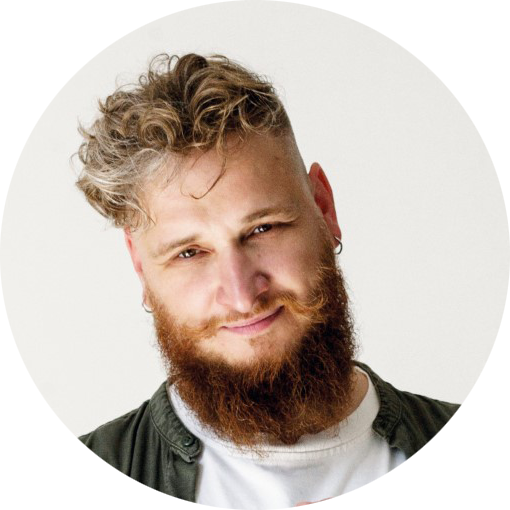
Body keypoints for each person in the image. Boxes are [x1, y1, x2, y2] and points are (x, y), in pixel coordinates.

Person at [9, 53, 510, 510]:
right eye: (189, 253)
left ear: (324, 209)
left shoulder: (494, 462)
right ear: (140, 267)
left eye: (263, 229)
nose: (242, 294)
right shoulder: (71, 494)